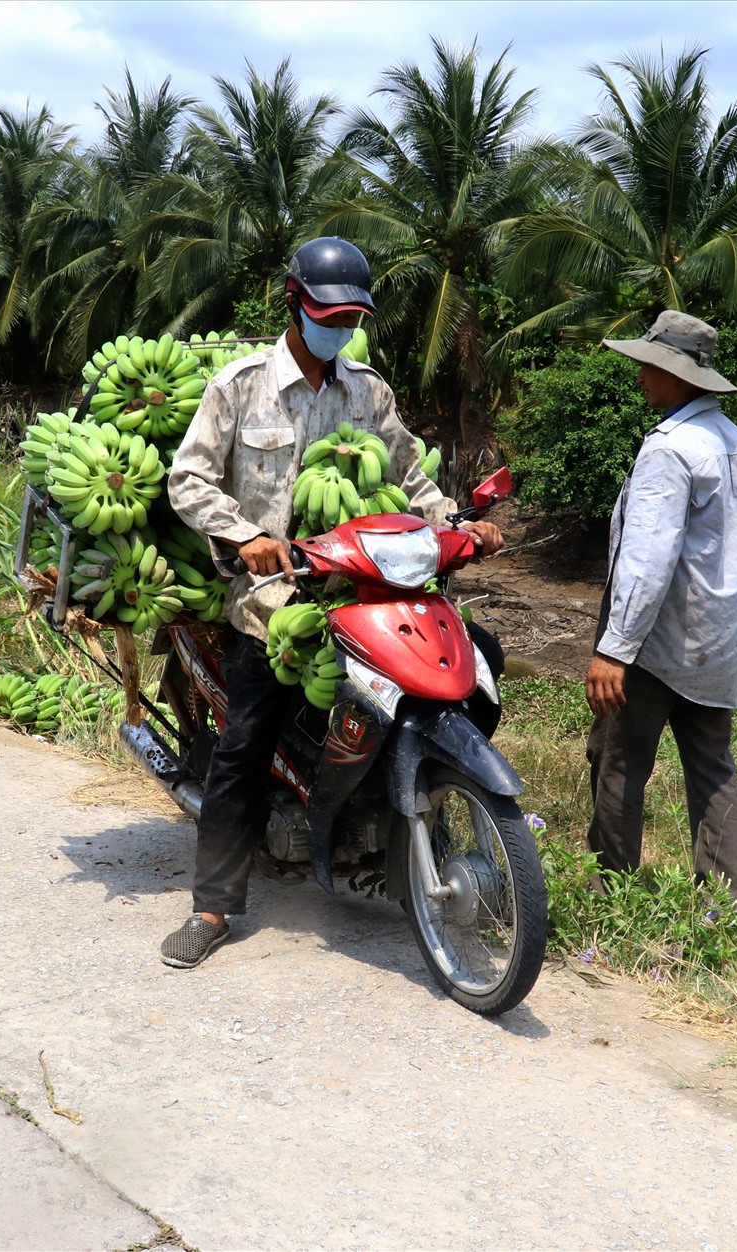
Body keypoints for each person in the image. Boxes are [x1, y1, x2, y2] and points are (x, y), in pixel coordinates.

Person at [161, 236, 505, 969]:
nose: (340, 330)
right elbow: (187, 480)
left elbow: (412, 477)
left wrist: (457, 526)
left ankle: (401, 837)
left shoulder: (367, 391)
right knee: (245, 743)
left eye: (352, 318)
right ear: (295, 302)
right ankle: (214, 905)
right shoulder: (241, 385)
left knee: (471, 672)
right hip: (273, 599)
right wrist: (247, 535)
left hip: (369, 592)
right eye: (329, 315)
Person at [584, 310, 737, 917]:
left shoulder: (670, 449)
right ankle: (725, 911)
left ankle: (612, 899)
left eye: (649, 365)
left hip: (657, 639)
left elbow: (647, 560)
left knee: (620, 762)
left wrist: (614, 648)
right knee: (713, 770)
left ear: (676, 375)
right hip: (717, 639)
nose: (640, 375)